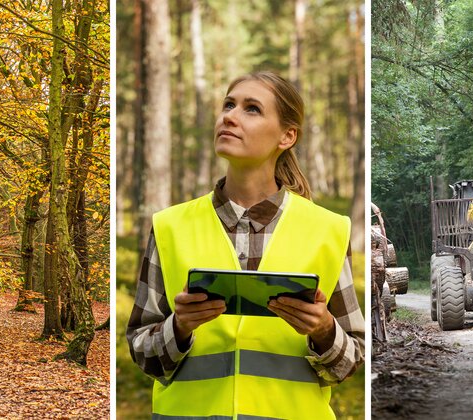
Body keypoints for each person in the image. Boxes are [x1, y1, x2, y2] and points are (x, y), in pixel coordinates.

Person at [126, 71, 364, 419]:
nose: (230, 116)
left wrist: (324, 329)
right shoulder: (169, 226)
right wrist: (179, 327)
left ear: (287, 135)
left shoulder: (328, 230)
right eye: (228, 105)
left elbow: (350, 362)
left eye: (251, 109)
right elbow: (141, 351)